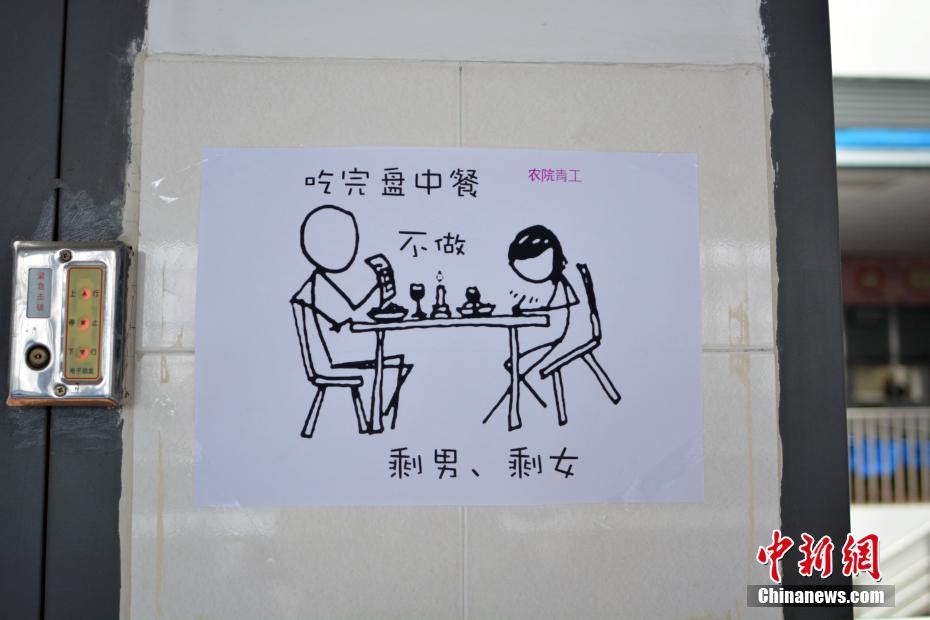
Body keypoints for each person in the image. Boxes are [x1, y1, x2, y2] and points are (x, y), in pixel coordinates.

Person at [291, 205, 410, 428]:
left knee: (399, 363)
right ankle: (375, 421)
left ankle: (379, 418)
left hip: (340, 351)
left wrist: (380, 291)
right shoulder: (317, 287)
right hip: (333, 358)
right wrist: (379, 287)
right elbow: (350, 317)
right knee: (397, 363)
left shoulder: (323, 283)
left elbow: (351, 312)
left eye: (350, 239)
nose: (349, 248)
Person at [506, 224, 580, 378]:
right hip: (553, 337)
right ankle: (528, 393)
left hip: (562, 338)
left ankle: (522, 392)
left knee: (517, 365)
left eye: (535, 264)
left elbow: (554, 318)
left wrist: (526, 312)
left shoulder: (560, 286)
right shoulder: (550, 286)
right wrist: (524, 311)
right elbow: (546, 310)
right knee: (512, 364)